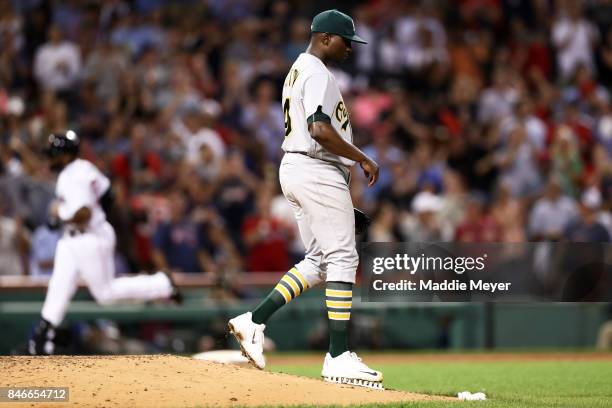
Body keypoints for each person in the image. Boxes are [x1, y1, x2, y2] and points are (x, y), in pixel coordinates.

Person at [228, 10, 383, 389]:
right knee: (344, 257)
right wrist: (361, 156)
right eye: (347, 41)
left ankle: (254, 320)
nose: (350, 49)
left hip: (298, 168)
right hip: (315, 168)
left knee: (319, 260)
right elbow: (318, 129)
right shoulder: (316, 72)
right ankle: (338, 355)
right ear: (327, 38)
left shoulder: (300, 69)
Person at [28, 131, 182, 356]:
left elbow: (85, 213)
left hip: (88, 237)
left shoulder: (71, 176)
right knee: (59, 286)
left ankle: (161, 284)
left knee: (105, 293)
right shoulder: (85, 167)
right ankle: (44, 337)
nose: (49, 158)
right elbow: (108, 194)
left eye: (53, 154)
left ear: (65, 154)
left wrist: (59, 215)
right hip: (76, 239)